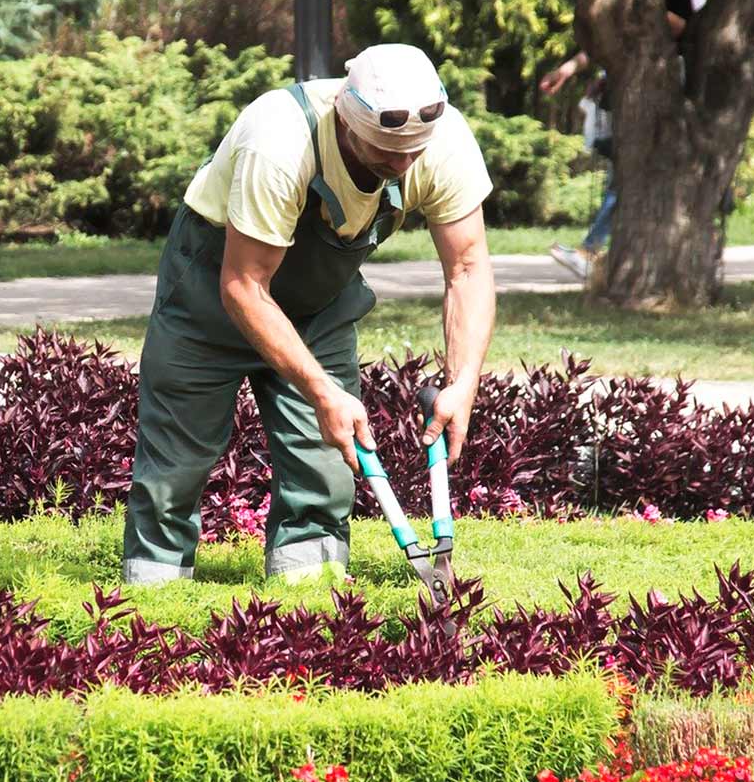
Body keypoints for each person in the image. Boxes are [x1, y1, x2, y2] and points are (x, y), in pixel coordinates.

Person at [123, 44, 496, 585]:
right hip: (212, 294)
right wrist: (321, 390)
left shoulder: (441, 141)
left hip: (319, 307)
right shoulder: (279, 141)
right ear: (347, 118)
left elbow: (467, 268)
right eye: (387, 150)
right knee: (177, 464)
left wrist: (463, 382)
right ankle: (153, 600)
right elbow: (244, 285)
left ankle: (310, 600)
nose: (403, 164)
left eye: (413, 152)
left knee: (325, 466)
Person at [541, 0, 712, 279]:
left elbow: (681, 23)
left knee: (633, 169)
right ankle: (596, 252)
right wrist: (571, 68)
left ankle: (592, 250)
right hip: (634, 82)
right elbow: (623, 28)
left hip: (669, 80)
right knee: (625, 165)